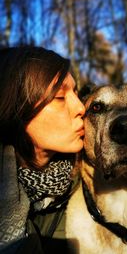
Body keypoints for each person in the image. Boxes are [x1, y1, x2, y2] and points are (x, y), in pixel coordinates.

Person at [0, 46, 86, 253]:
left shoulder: (82, 193)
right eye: (59, 97)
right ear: (17, 109)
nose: (81, 108)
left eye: (75, 92)